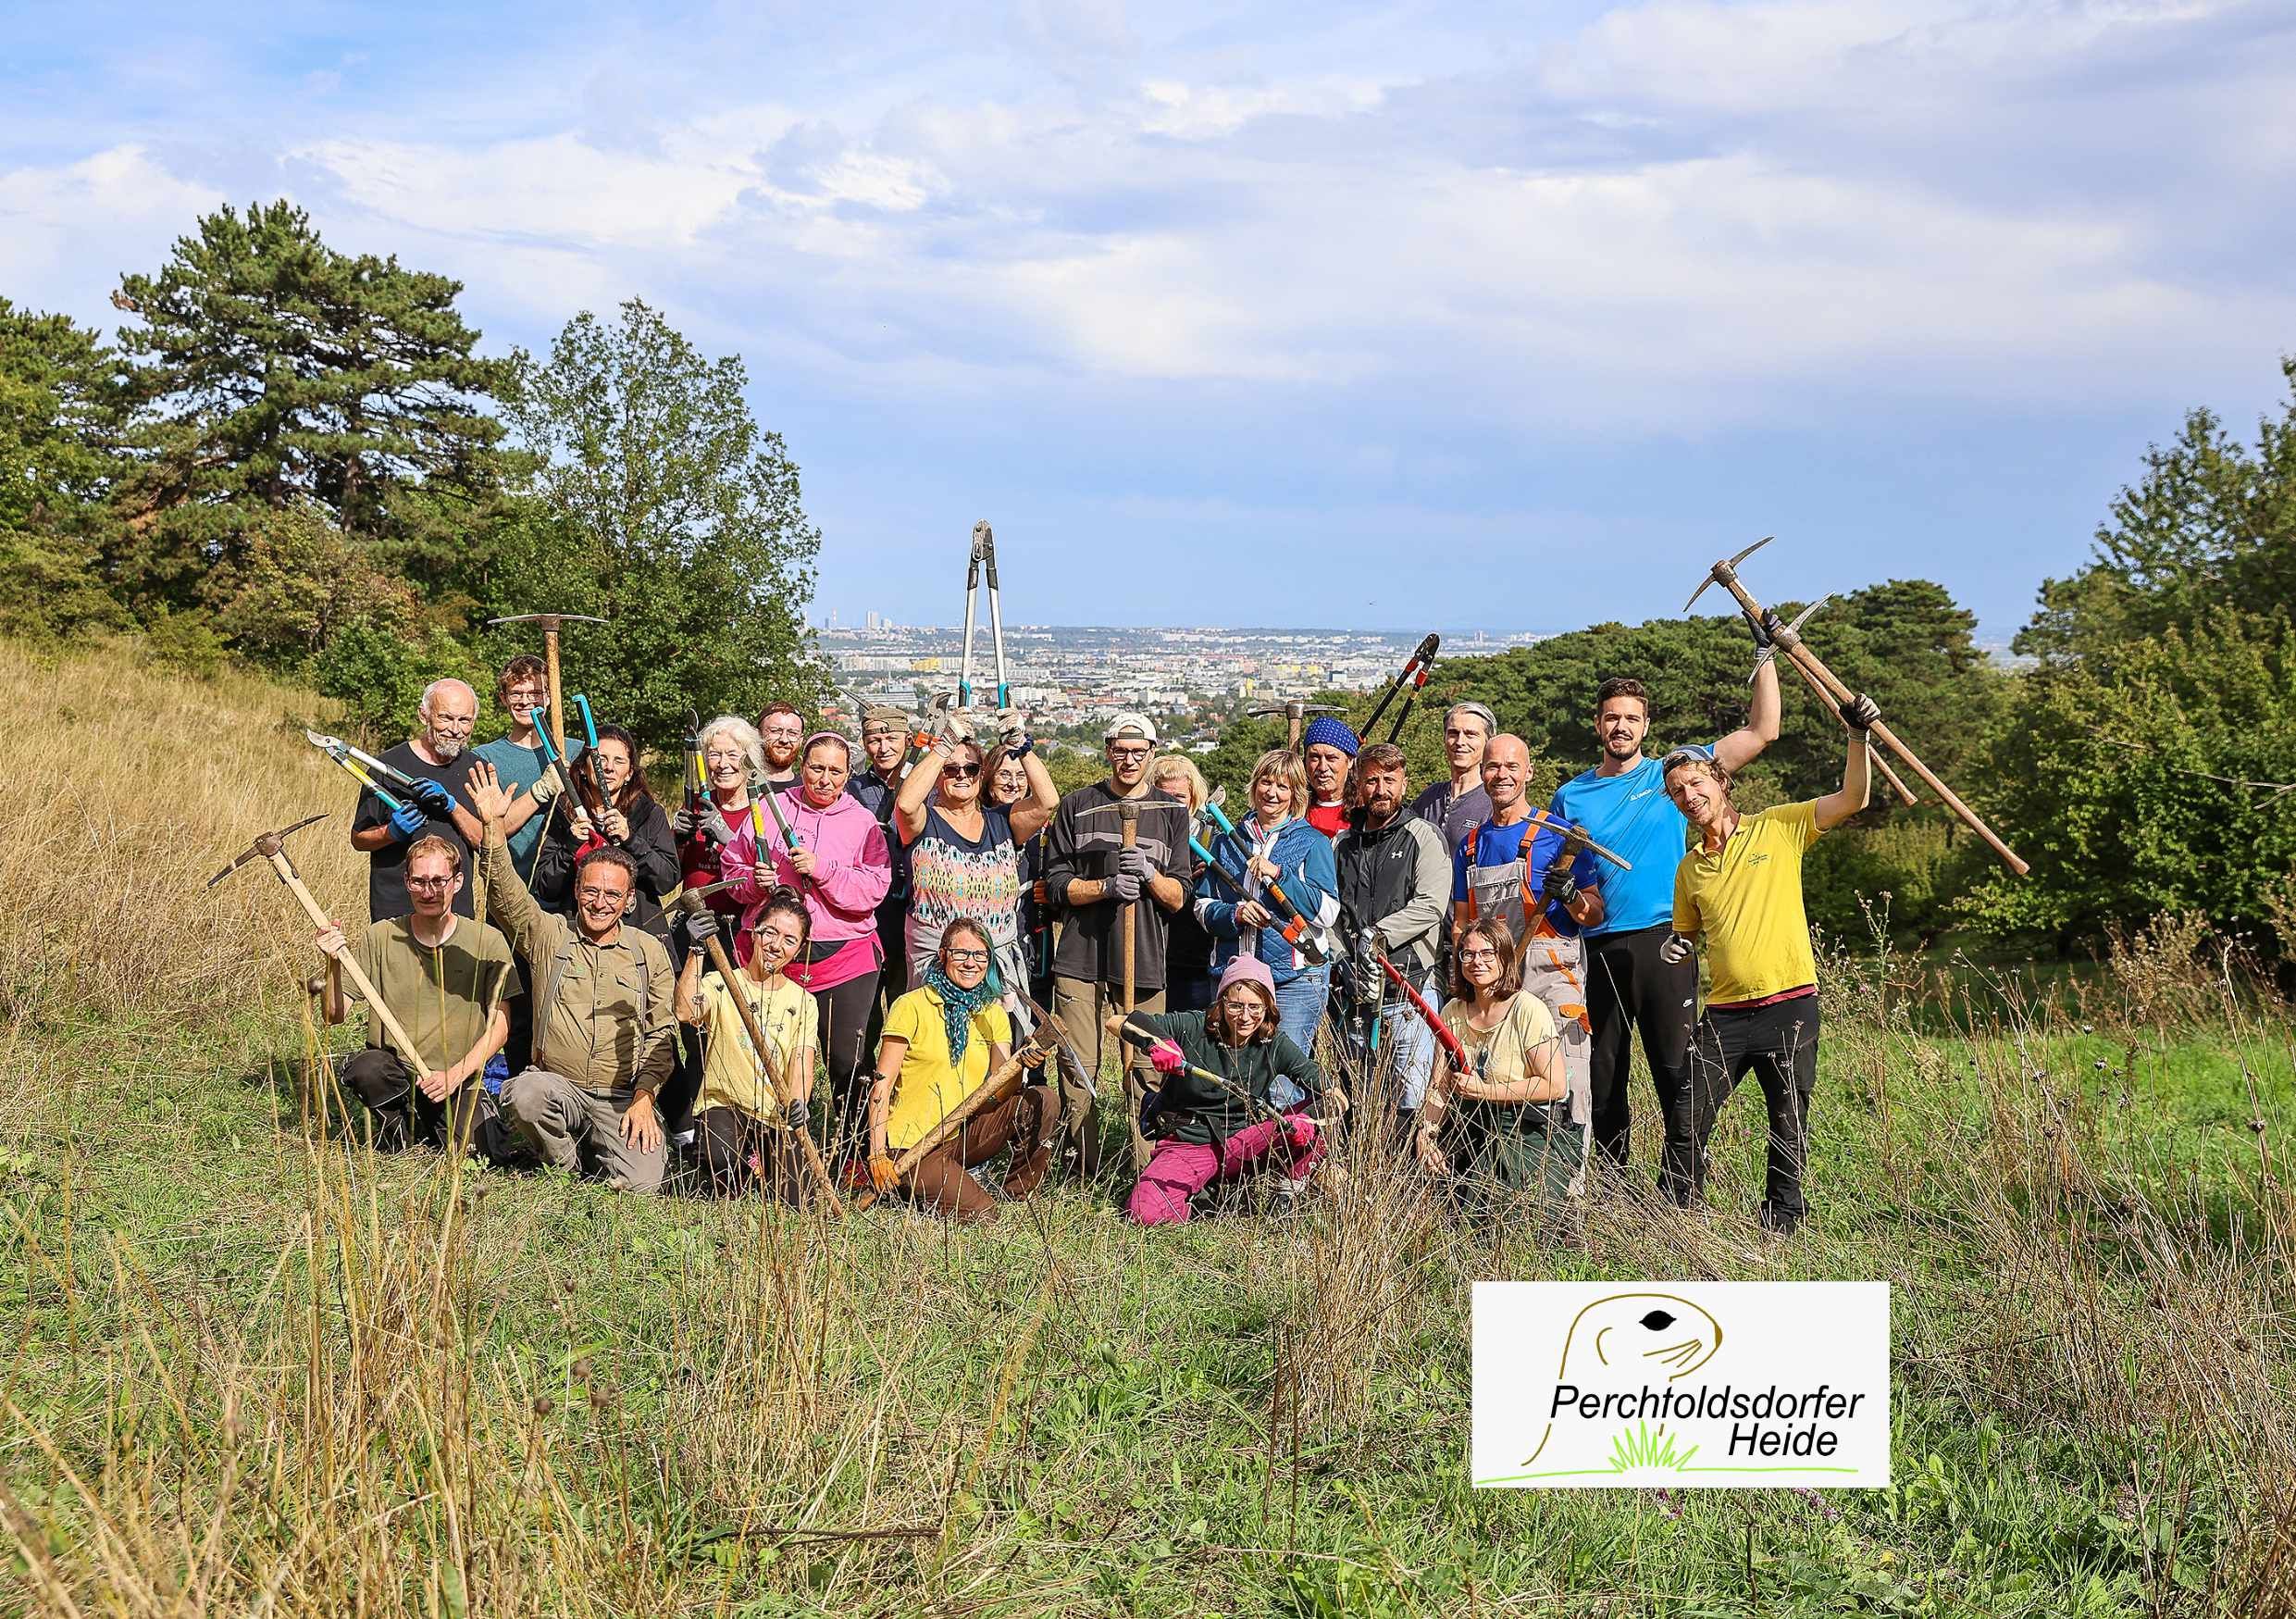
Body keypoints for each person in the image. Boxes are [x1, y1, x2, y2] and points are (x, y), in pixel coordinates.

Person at [1550, 631, 1781, 1174]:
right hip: (1599, 948)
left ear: (1645, 726)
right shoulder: (1571, 795)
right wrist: (1562, 889)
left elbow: (1762, 731)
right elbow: (1566, 876)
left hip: (1665, 942)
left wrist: (1765, 657)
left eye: (1631, 718)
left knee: (1676, 1072)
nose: (1621, 727)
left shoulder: (1670, 775)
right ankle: (1613, 1189)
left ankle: (1682, 1189)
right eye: (1611, 717)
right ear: (1598, 724)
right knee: (1605, 1073)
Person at [1661, 693, 1877, 1234]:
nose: (1689, 797)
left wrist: (1859, 737)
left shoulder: (1779, 827)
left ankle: (1783, 1219)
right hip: (1727, 1014)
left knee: (1787, 1118)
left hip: (1789, 1006)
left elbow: (1853, 798)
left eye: (1696, 784)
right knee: (1686, 1113)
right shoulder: (1690, 869)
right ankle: (1678, 1215)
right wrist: (1676, 947)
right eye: (1677, 792)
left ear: (1721, 782)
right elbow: (1685, 937)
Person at [465, 763, 677, 1191]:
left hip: (620, 1096)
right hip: (557, 1086)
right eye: (591, 891)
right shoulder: (549, 934)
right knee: (524, 1095)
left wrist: (644, 1098)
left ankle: (606, 1146)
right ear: (577, 890)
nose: (600, 903)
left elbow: (664, 1034)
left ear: (629, 900)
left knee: (642, 1186)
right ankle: (563, 1163)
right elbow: (505, 893)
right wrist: (491, 829)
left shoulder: (648, 951)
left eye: (612, 895)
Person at [724, 731, 892, 1166]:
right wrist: (752, 882)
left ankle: (857, 1157)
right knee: (761, 1053)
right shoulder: (768, 809)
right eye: (817, 768)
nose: (824, 778)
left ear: (847, 775)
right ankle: (761, 1153)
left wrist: (824, 870)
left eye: (836, 771)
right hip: (775, 957)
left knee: (846, 1060)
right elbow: (734, 866)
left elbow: (874, 888)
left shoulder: (862, 823)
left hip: (843, 958)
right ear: (802, 767)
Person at [1042, 714, 1195, 1178]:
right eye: (1120, 750)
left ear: (1152, 752)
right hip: (1080, 956)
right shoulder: (1077, 806)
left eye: (1139, 751)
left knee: (1149, 1069)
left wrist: (1151, 876)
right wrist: (1107, 887)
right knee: (1079, 1066)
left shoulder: (1172, 812)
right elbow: (1056, 884)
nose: (1129, 759)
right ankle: (1083, 1171)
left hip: (1144, 958)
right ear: (1108, 749)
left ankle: (1149, 1172)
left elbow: (1180, 896)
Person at [1452, 734, 1604, 1168]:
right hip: (1493, 974)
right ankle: (1510, 1185)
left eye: (1511, 766)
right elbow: (1464, 921)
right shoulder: (1471, 845)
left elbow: (1592, 913)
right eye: (1493, 766)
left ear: (1528, 772)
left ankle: (1568, 1200)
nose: (1501, 775)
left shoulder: (1559, 838)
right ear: (1482, 773)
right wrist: (1463, 974)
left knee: (1568, 1076)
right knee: (1504, 1075)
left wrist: (1572, 895)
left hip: (1550, 968)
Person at [314, 835, 514, 1153]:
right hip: (398, 1073)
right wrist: (333, 964)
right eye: (419, 881)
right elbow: (332, 1016)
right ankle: (398, 1125)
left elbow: (500, 1026)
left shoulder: (487, 941)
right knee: (368, 1069)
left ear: (458, 881)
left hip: (457, 1077)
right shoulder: (380, 936)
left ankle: (437, 1122)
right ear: (406, 882)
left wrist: (455, 1074)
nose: (428, 891)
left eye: (438, 881)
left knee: (482, 1149)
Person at [1118, 956, 1345, 1226]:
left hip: (1243, 1141)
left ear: (1267, 1007)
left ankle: (1286, 1195)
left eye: (1255, 1007)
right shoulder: (1194, 1026)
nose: (1245, 1016)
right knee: (1144, 1213)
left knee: (1299, 1127)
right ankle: (1206, 1203)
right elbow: (1119, 1021)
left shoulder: (1274, 1044)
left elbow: (1335, 1095)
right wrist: (1158, 1043)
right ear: (1221, 1001)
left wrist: (1309, 1119)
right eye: (1235, 1005)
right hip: (1189, 1143)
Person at [865, 919, 1057, 1222]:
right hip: (910, 1146)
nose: (972, 963)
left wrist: (1020, 1065)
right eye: (961, 954)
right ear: (942, 956)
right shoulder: (911, 1006)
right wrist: (877, 1153)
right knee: (982, 1214)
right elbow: (881, 1086)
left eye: (981, 955)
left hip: (960, 1135)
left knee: (1042, 1099)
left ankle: (1017, 1194)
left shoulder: (991, 1011)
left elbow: (999, 1089)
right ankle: (914, 1189)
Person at [1196, 749, 1339, 1094]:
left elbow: (1328, 912)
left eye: (1283, 786)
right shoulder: (1228, 841)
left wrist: (1279, 875)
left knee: (1281, 1083)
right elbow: (1201, 906)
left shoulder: (1312, 842)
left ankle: (1283, 1148)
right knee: (1232, 1081)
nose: (1272, 793)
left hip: (1293, 980)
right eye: (1266, 782)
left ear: (1296, 795)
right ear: (1254, 786)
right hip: (1235, 979)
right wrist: (1235, 914)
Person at [1417, 917, 1580, 1208]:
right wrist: (1427, 1134)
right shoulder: (1452, 1011)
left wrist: (1487, 1092)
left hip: (1525, 1131)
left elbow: (1554, 1085)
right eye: (1468, 954)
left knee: (1500, 1218)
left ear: (1504, 959)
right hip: (1470, 1126)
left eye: (1486, 954)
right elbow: (1439, 1086)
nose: (1476, 961)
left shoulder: (1527, 1009)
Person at [895, 708, 1057, 996]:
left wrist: (1021, 745)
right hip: (936, 968)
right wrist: (944, 745)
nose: (961, 775)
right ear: (938, 775)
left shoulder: (1002, 823)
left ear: (982, 776)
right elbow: (905, 804)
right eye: (950, 769)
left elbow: (1047, 802)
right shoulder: (924, 823)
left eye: (970, 769)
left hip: (994, 970)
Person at [1332, 742, 1451, 1122]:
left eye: (1389, 780)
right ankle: (1367, 1177)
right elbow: (1332, 913)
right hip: (1355, 995)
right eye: (1371, 780)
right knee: (1361, 1100)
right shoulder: (1342, 844)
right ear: (1358, 785)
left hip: (1410, 986)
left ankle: (1415, 1181)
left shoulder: (1423, 836)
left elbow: (1431, 904)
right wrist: (1341, 957)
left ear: (1404, 783)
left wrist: (1378, 935)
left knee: (1413, 1102)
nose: (1381, 789)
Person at [674, 890, 818, 1201]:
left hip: (772, 1113)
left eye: (789, 940)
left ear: (799, 949)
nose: (776, 946)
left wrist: (797, 1102)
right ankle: (731, 1168)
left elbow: (801, 1061)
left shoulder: (804, 1002)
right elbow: (686, 1010)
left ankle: (759, 1167)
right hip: (725, 1104)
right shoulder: (721, 983)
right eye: (770, 932)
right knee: (720, 1163)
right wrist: (696, 950)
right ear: (754, 931)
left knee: (798, 1198)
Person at [348, 678, 488, 922]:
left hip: (455, 915)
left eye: (464, 720)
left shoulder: (478, 770)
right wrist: (391, 832)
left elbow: (485, 843)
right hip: (395, 913)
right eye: (445, 717)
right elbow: (359, 839)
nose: (455, 730)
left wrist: (452, 806)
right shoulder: (386, 766)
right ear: (424, 715)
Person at [531, 723, 678, 943]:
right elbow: (544, 887)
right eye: (600, 759)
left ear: (629, 773)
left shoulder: (649, 813)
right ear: (583, 768)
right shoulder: (563, 812)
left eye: (619, 761)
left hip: (640, 937)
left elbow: (666, 880)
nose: (608, 768)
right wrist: (570, 846)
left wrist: (631, 840)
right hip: (578, 939)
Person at [469, 655, 584, 886]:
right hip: (514, 890)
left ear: (550, 697)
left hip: (573, 889)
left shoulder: (576, 751)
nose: (526, 701)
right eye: (516, 693)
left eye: (535, 693)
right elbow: (490, 833)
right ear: (504, 698)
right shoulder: (485, 757)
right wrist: (540, 791)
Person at [673, 715, 763, 943]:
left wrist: (728, 839)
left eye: (733, 754)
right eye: (714, 755)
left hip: (740, 927)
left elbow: (765, 873)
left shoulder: (761, 811)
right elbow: (674, 873)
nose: (723, 764)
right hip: (693, 923)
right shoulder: (696, 805)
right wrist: (678, 840)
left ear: (749, 760)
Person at [848, 705, 913, 1003]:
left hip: (911, 908)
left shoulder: (924, 786)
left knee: (906, 1001)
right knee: (865, 1002)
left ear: (908, 740)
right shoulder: (851, 789)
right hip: (866, 910)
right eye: (874, 740)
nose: (883, 748)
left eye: (892, 739)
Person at [990, 740, 1058, 1003]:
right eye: (1004, 774)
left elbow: (1062, 878)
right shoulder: (977, 821)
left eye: (1021, 775)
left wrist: (1051, 893)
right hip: (992, 939)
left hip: (1032, 937)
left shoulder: (1045, 831)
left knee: (1033, 1022)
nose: (1013, 783)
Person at [1150, 754, 1216, 1012]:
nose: (1170, 804)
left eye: (1178, 797)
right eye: (1162, 795)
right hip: (1151, 959)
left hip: (1194, 960)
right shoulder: (1140, 837)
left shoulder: (1209, 841)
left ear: (1193, 799)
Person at [1409, 701, 1498, 853]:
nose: (1460, 742)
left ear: (1488, 741)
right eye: (1453, 733)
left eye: (1471, 734)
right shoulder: (1429, 797)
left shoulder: (1493, 802)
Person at [1300, 716, 1359, 837]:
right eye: (1314, 757)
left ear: (1350, 761)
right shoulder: (1292, 810)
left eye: (1331, 758)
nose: (1322, 767)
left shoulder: (1365, 812)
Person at [756, 703, 804, 793]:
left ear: (801, 740)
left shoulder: (808, 791)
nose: (784, 739)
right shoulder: (743, 788)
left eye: (792, 733)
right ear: (758, 735)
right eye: (775, 731)